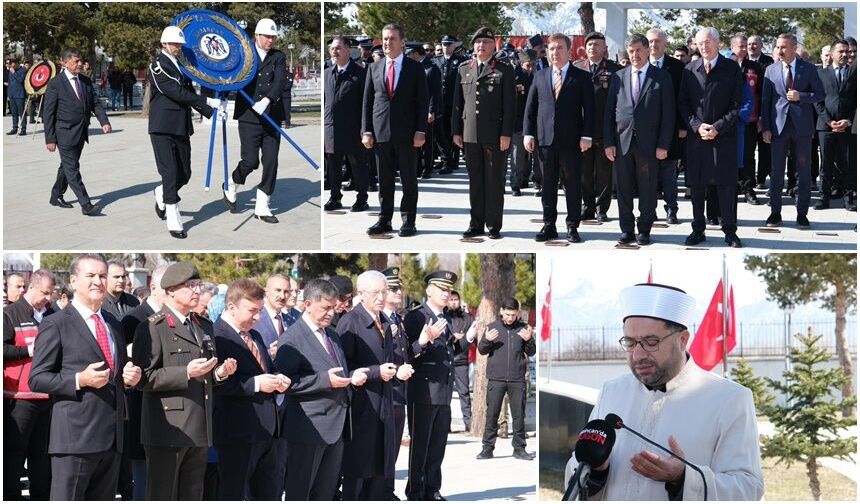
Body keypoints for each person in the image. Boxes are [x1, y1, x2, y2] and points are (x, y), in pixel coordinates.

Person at [564, 282, 764, 500]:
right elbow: (577, 472)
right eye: (630, 343)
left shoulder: (730, 399)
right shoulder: (612, 391)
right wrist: (596, 470)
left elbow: (748, 489)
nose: (638, 354)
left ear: (682, 340)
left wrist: (683, 479)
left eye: (651, 342)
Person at [29, 254, 142, 500]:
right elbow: (37, 378)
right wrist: (80, 379)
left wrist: (128, 378)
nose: (98, 282)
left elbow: (116, 373)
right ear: (73, 281)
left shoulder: (113, 322)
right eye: (90, 276)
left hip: (112, 440)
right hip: (75, 440)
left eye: (102, 276)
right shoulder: (56, 323)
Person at [132, 261, 237, 500]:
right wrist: (185, 373)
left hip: (199, 425)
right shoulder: (152, 327)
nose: (197, 291)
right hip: (168, 428)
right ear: (170, 291)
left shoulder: (202, 326)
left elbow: (206, 374)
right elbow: (143, 378)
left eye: (198, 285)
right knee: (163, 494)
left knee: (192, 494)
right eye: (190, 286)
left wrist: (219, 373)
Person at [274, 279, 369, 500]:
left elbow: (337, 371)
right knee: (300, 490)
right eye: (325, 308)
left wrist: (350, 378)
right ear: (307, 303)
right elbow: (285, 382)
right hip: (308, 427)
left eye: (333, 308)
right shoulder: (292, 338)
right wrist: (324, 381)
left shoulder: (332, 335)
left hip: (336, 427)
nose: (330, 313)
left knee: (325, 492)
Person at [338, 271, 414, 500]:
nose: (381, 297)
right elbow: (343, 367)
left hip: (385, 405)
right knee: (359, 472)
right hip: (362, 408)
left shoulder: (385, 320)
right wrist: (374, 372)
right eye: (375, 293)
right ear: (361, 294)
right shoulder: (350, 322)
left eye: (384, 291)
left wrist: (397, 373)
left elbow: (387, 361)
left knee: (381, 470)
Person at [213, 279, 289, 500]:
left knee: (267, 492)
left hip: (267, 432)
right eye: (252, 311)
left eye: (260, 311)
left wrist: (278, 378)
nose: (257, 317)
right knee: (233, 493)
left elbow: (265, 368)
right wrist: (256, 384)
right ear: (231, 307)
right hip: (237, 432)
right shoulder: (217, 336)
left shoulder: (254, 335)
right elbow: (217, 383)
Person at [148, 26, 221, 239]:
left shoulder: (181, 66)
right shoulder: (157, 65)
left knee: (185, 173)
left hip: (180, 125)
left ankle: (162, 192)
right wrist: (206, 101)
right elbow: (175, 92)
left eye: (179, 44)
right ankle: (173, 215)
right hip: (162, 126)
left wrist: (209, 110)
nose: (178, 48)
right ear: (164, 44)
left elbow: (187, 92)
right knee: (170, 173)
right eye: (174, 44)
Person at [604, 33, 674, 246]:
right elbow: (609, 112)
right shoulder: (619, 76)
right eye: (631, 51)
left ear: (647, 50)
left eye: (638, 50)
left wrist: (663, 145)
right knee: (623, 189)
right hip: (622, 142)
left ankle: (644, 229)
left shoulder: (661, 77)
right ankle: (627, 229)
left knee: (648, 189)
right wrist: (609, 142)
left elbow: (668, 114)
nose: (635, 55)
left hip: (650, 145)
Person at [524, 33, 595, 243]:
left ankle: (572, 226)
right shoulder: (540, 76)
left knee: (572, 185)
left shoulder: (581, 76)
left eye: (560, 48)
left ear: (569, 50)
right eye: (552, 49)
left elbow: (590, 110)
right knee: (547, 185)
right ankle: (549, 225)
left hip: (572, 142)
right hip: (545, 141)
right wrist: (528, 134)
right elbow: (530, 108)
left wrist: (587, 135)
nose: (555, 52)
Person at [679, 27, 744, 248]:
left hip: (723, 137)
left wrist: (717, 127)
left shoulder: (731, 69)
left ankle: (730, 231)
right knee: (697, 186)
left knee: (726, 186)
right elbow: (683, 104)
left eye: (708, 42)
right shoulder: (689, 69)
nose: (704, 47)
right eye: (700, 43)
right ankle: (698, 229)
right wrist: (697, 126)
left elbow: (737, 104)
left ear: (717, 43)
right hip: (697, 139)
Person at [362, 23, 429, 237]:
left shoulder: (415, 68)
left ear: (402, 42)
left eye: (392, 39)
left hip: (407, 134)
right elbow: (367, 102)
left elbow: (422, 101)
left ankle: (408, 221)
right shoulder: (374, 68)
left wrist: (421, 130)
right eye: (384, 39)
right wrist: (366, 131)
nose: (387, 43)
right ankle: (384, 219)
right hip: (381, 134)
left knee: (409, 179)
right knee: (385, 180)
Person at [452, 27, 516, 240]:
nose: (481, 45)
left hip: (495, 136)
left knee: (495, 181)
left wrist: (506, 133)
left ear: (493, 46)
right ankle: (476, 223)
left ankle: (494, 225)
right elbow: (457, 105)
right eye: (478, 42)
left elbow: (510, 106)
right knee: (476, 181)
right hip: (469, 135)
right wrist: (456, 131)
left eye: (486, 42)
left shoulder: (504, 70)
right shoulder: (464, 69)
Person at [222, 19, 287, 223]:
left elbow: (280, 81)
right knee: (250, 161)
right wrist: (220, 99)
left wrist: (267, 99)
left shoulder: (278, 57)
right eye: (267, 36)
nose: (270, 40)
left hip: (271, 117)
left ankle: (262, 206)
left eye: (273, 37)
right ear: (257, 36)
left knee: (271, 162)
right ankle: (232, 183)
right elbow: (225, 76)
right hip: (248, 116)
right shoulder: (244, 55)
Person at [760, 33, 825, 229]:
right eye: (778, 47)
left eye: (783, 47)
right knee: (777, 172)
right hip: (778, 128)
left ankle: (802, 214)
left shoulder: (809, 69)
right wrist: (766, 128)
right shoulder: (770, 70)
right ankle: (775, 213)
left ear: (794, 47)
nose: (779, 50)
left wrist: (801, 96)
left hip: (802, 127)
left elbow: (820, 94)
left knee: (803, 172)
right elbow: (766, 102)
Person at [404, 271, 458, 501]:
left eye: (448, 290)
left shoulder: (447, 318)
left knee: (437, 445)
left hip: (443, 391)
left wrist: (468, 339)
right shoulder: (416, 317)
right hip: (423, 391)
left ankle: (432, 489)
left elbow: (448, 353)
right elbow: (408, 352)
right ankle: (416, 491)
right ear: (429, 290)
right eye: (442, 289)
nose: (446, 294)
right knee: (420, 447)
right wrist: (424, 341)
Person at [3, 270, 56, 500]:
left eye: (50, 293)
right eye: (45, 293)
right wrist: (28, 351)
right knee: (13, 458)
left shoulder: (52, 314)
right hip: (19, 399)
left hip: (48, 397)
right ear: (30, 288)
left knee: (42, 459)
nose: (48, 298)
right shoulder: (11, 314)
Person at [119, 264, 169, 501]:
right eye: (167, 288)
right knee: (144, 480)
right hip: (143, 408)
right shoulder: (134, 319)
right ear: (153, 288)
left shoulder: (173, 319)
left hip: (169, 410)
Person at [43, 48, 111, 215]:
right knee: (72, 168)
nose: (80, 64)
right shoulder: (55, 84)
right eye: (76, 61)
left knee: (67, 166)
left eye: (81, 61)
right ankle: (86, 204)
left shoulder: (85, 81)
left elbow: (95, 103)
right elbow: (48, 113)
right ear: (64, 63)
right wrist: (50, 139)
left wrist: (104, 122)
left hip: (81, 132)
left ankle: (56, 195)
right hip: (64, 133)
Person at [476, 297, 535, 461]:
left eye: (513, 315)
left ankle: (519, 449)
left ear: (517, 313)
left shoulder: (524, 329)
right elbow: (481, 350)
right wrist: (487, 339)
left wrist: (528, 340)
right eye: (507, 314)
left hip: (517, 379)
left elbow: (531, 352)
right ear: (501, 311)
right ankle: (487, 448)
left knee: (518, 415)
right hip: (496, 379)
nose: (510, 318)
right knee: (492, 414)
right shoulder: (492, 328)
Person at [574, 32, 622, 222]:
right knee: (585, 172)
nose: (593, 47)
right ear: (585, 48)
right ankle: (588, 206)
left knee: (604, 172)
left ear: (604, 48)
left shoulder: (615, 70)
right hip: (582, 130)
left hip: (605, 130)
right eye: (590, 44)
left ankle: (602, 208)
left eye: (597, 44)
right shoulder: (577, 68)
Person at [324, 36, 370, 212]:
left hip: (353, 129)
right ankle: (335, 197)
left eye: (338, 48)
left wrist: (365, 129)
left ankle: (362, 198)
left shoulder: (360, 73)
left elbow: (366, 103)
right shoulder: (328, 72)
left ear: (348, 50)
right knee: (334, 166)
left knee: (358, 165)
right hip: (332, 128)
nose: (334, 52)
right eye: (332, 49)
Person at [646, 28, 687, 224]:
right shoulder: (640, 64)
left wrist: (682, 125)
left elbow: (682, 98)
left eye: (657, 42)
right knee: (649, 174)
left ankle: (671, 209)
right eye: (650, 42)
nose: (653, 45)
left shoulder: (677, 67)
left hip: (670, 129)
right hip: (646, 131)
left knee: (669, 173)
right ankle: (650, 209)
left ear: (665, 44)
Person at [380, 266, 412, 499]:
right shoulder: (380, 320)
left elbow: (406, 352)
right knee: (384, 445)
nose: (399, 292)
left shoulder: (397, 320)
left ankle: (388, 489)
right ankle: (382, 489)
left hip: (400, 391)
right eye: (393, 288)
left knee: (393, 445)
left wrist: (423, 340)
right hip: (386, 389)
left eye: (399, 287)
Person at [814, 40, 856, 211]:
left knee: (847, 164)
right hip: (826, 127)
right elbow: (817, 100)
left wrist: (849, 120)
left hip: (847, 126)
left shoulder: (855, 74)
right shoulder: (821, 74)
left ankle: (848, 199)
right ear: (831, 54)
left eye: (847, 51)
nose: (845, 54)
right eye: (841, 51)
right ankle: (824, 198)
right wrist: (829, 121)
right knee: (826, 164)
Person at [731, 33, 766, 206]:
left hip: (749, 119)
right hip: (727, 121)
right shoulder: (726, 66)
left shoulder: (755, 67)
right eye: (740, 46)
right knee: (731, 154)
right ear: (732, 47)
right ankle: (733, 185)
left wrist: (760, 117)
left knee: (748, 155)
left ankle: (748, 187)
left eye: (746, 46)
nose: (744, 49)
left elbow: (760, 94)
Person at [408, 44, 441, 180]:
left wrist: (431, 111)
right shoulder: (411, 67)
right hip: (413, 111)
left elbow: (435, 93)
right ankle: (417, 167)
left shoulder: (431, 68)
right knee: (414, 141)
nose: (407, 56)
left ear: (416, 53)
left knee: (427, 142)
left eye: (409, 53)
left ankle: (428, 168)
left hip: (427, 110)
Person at [444, 290, 476, 431]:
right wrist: (453, 337)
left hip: (462, 360)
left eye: (455, 299)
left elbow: (473, 338)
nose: (453, 302)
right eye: (450, 300)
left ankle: (469, 423)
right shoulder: (443, 317)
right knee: (446, 394)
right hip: (446, 361)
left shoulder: (468, 318)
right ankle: (446, 424)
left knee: (464, 392)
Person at [434, 35, 466, 175]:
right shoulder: (436, 61)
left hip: (454, 103)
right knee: (440, 133)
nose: (446, 47)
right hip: (439, 103)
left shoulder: (461, 62)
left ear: (454, 46)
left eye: (449, 44)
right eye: (444, 44)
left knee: (452, 131)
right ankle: (446, 159)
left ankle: (451, 160)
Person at [510, 49, 538, 197]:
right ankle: (516, 184)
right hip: (518, 121)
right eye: (528, 65)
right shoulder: (514, 75)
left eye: (533, 64)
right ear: (521, 63)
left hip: (536, 121)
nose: (531, 67)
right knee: (518, 156)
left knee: (537, 156)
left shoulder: (539, 75)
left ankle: (537, 181)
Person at [7, 60, 27, 135]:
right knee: (14, 113)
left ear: (17, 64)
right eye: (11, 65)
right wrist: (9, 95)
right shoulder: (11, 70)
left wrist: (14, 73)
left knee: (21, 113)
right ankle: (14, 128)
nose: (12, 66)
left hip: (19, 95)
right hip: (12, 95)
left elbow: (21, 80)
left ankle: (23, 129)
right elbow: (10, 83)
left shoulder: (23, 70)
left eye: (13, 65)